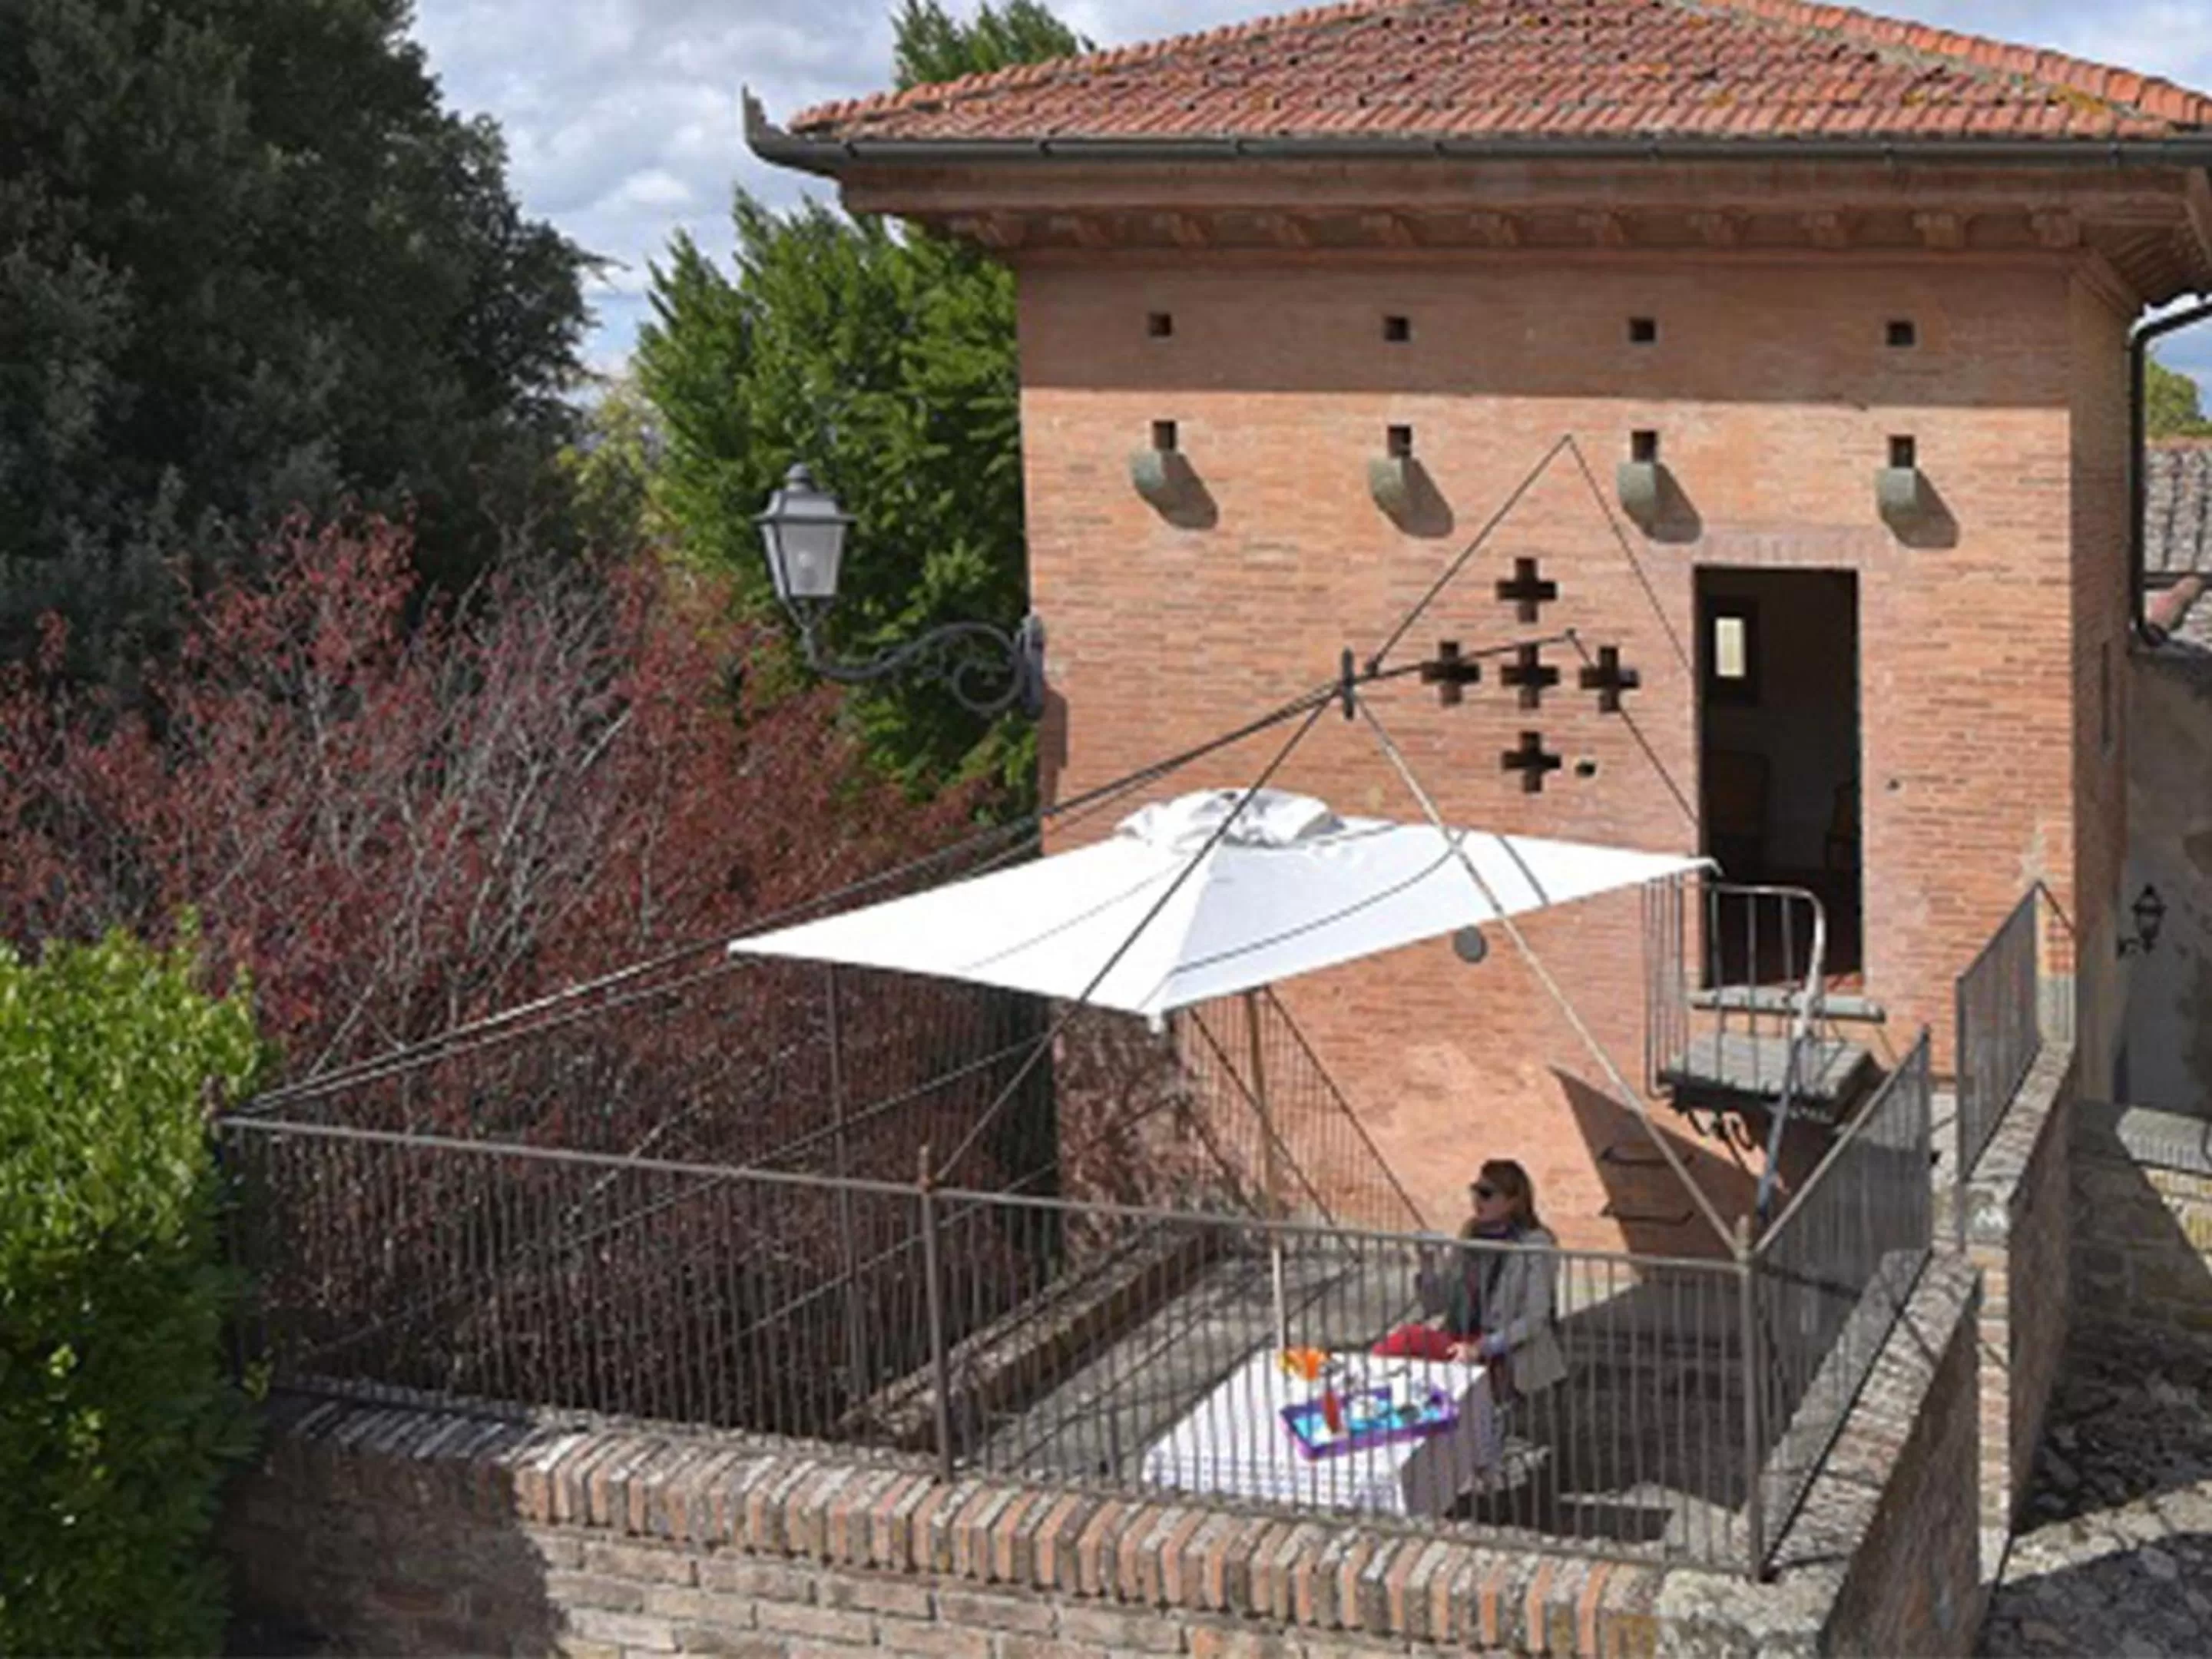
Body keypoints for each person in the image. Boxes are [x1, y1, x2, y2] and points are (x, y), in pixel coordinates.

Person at [1373, 1160, 1567, 1398]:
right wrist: (1428, 1262)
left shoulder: (1535, 1244)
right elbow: (1435, 1304)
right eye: (1474, 1191)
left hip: (1505, 1348)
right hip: (1459, 1337)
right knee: (1402, 1342)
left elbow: (1535, 1318)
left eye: (1486, 1194)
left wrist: (1482, 1347)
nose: (1477, 1200)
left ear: (1513, 1201)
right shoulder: (1472, 1234)